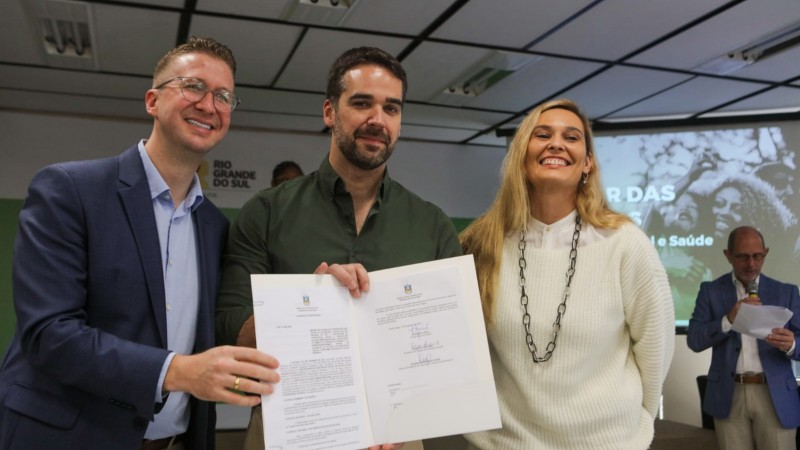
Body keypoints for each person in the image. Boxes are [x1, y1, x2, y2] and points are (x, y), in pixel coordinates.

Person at [0, 37, 279, 450]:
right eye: (193, 86)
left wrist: (324, 290)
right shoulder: (70, 190)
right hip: (69, 437)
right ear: (152, 100)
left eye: (223, 96)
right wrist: (177, 372)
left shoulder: (215, 227)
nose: (209, 104)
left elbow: (220, 327)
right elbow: (48, 334)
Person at [215, 46, 461, 450]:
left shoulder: (432, 226)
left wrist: (408, 413)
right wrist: (306, 304)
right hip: (289, 429)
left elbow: (449, 344)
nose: (377, 120)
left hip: (396, 434)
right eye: (362, 103)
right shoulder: (266, 212)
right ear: (330, 111)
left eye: (391, 108)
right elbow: (226, 326)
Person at [459, 99, 675, 449]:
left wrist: (634, 424)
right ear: (521, 155)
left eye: (571, 137)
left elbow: (656, 350)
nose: (556, 143)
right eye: (542, 134)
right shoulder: (481, 243)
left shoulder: (625, 243)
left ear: (587, 162)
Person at [687, 226, 800, 450]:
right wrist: (728, 319)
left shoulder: (786, 292)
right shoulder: (711, 291)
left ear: (765, 253)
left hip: (775, 393)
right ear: (728, 255)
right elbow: (695, 340)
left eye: (758, 256)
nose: (751, 264)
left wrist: (792, 344)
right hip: (729, 394)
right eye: (743, 257)